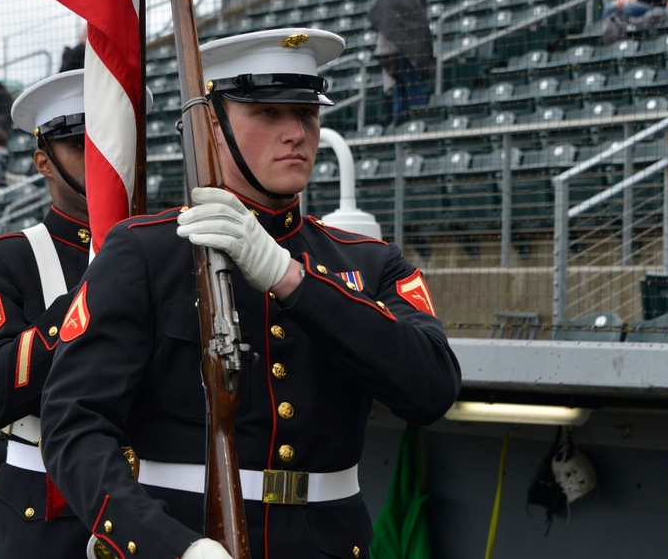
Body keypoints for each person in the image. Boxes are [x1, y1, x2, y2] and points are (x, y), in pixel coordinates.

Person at [40, 28, 462, 559]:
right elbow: (73, 427)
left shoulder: (369, 262)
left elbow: (432, 388)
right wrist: (168, 546)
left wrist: (292, 280)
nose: (297, 133)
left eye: (307, 114)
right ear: (212, 125)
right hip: (187, 535)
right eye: (268, 113)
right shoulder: (146, 253)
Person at [0, 70, 95, 557]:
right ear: (44, 162)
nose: (102, 159)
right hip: (41, 520)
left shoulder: (173, 250)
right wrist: (94, 289)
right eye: (81, 145)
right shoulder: (2, 260)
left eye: (112, 142)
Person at [368, 0, 434, 127]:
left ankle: (420, 118)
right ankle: (400, 120)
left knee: (411, 81)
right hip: (395, 46)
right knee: (400, 83)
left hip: (408, 44)